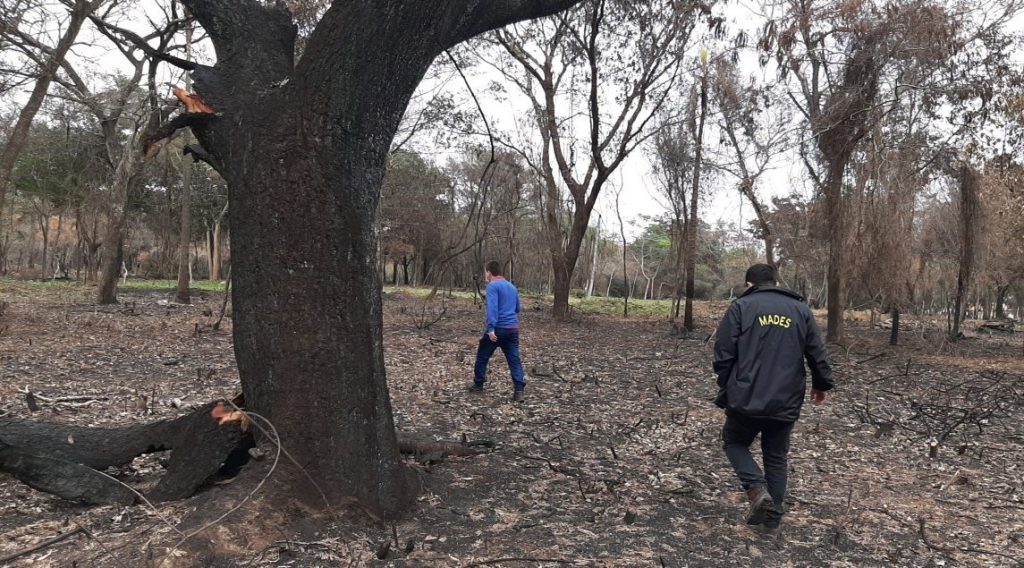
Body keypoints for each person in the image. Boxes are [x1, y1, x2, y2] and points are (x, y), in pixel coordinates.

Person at [713, 263, 833, 535]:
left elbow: (723, 352)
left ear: (749, 284)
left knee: (734, 441)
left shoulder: (741, 307)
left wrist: (727, 384)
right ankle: (772, 521)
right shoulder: (801, 310)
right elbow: (816, 351)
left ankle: (756, 490)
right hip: (786, 396)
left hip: (746, 396)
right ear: (776, 282)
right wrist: (822, 384)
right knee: (776, 455)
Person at [470, 260, 526, 402]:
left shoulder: (492, 286)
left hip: (498, 329)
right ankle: (519, 390)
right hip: (512, 329)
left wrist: (490, 329)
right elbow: (518, 308)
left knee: (482, 356)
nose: (485, 274)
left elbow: (492, 309)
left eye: (485, 272)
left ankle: (478, 384)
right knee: (514, 360)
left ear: (489, 272)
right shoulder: (512, 287)